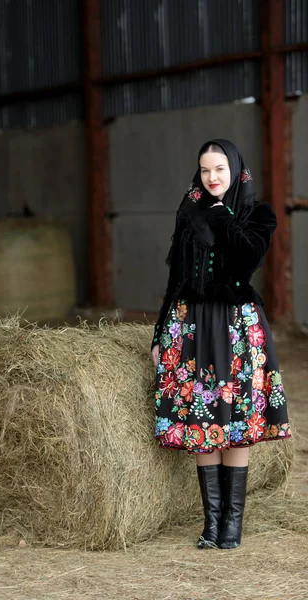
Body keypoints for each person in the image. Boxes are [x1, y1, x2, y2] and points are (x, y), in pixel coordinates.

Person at [151, 139, 291, 550]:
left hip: (236, 327)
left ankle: (233, 523)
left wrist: (222, 217)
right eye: (206, 170)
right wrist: (160, 335)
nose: (212, 178)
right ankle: (211, 523)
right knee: (202, 419)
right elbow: (175, 278)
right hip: (191, 326)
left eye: (220, 169)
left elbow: (248, 258)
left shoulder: (256, 213)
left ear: (235, 170)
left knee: (235, 421)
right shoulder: (188, 210)